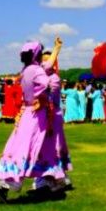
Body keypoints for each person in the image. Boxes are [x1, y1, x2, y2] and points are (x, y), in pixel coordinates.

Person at [0, 39, 66, 201]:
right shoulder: (38, 71)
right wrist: (42, 98)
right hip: (38, 114)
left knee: (30, 146)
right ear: (38, 55)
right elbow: (47, 83)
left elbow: (46, 68)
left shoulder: (27, 69)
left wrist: (56, 49)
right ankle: (10, 183)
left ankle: (48, 181)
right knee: (31, 147)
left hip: (27, 112)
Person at [40, 40, 72, 181]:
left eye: (50, 58)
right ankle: (47, 176)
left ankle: (59, 175)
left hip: (54, 115)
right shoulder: (43, 76)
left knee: (56, 145)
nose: (46, 62)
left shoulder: (53, 78)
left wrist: (57, 49)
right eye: (44, 59)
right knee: (44, 146)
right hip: (44, 115)